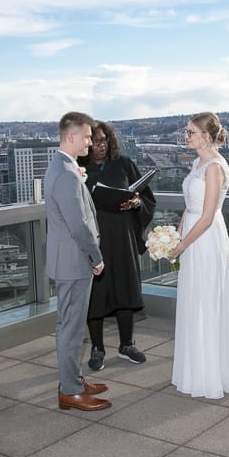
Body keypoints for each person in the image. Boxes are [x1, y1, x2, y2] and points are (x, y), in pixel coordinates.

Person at [168, 111, 229, 399]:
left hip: (205, 239)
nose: (186, 137)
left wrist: (181, 245)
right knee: (194, 299)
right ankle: (195, 370)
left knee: (206, 300)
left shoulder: (215, 166)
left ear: (205, 135)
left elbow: (206, 216)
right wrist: (174, 235)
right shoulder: (197, 162)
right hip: (192, 235)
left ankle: (210, 374)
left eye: (190, 132)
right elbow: (189, 208)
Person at [45, 112, 111, 411]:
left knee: (69, 325)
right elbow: (79, 225)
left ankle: (72, 379)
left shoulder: (63, 167)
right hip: (73, 262)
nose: (90, 142)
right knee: (71, 328)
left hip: (67, 260)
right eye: (86, 137)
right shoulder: (66, 174)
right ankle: (70, 390)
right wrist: (95, 258)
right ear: (70, 137)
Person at [79, 121, 156, 371]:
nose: (100, 146)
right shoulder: (79, 168)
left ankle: (127, 344)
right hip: (95, 238)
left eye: (104, 141)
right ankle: (97, 347)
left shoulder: (124, 164)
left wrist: (136, 204)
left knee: (125, 290)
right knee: (96, 295)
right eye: (95, 142)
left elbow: (145, 197)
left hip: (123, 237)